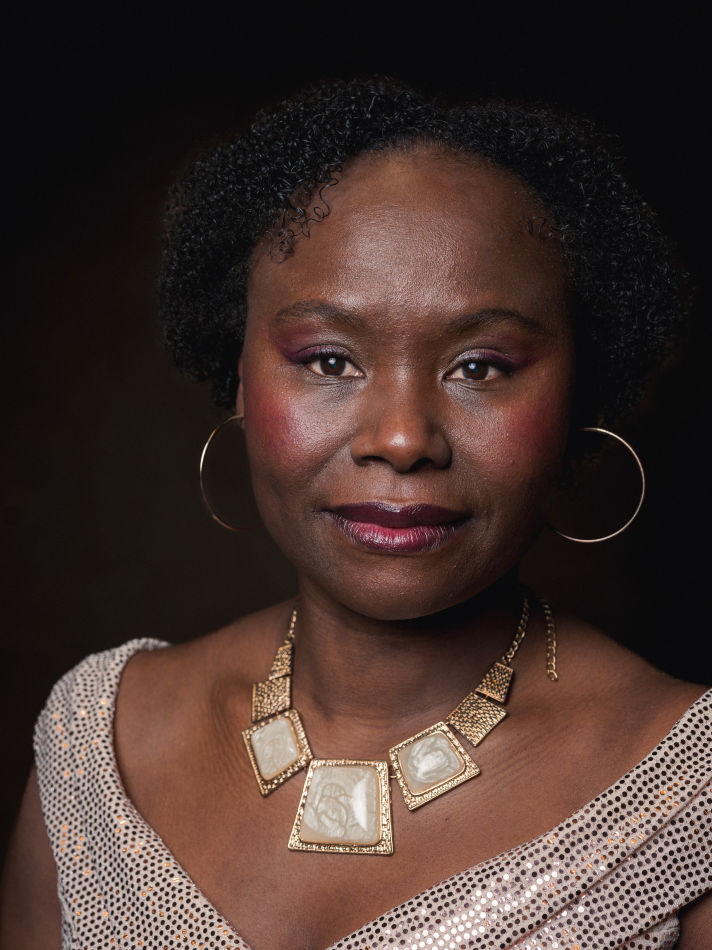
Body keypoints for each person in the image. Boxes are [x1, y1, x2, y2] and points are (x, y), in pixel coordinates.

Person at [1, 77, 710, 949]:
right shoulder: (98, 743)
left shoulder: (690, 796)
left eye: (481, 367)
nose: (403, 438)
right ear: (239, 380)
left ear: (578, 395)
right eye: (329, 361)